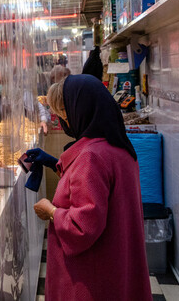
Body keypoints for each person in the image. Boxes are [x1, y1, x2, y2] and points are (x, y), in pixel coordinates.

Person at [22, 75, 151, 301]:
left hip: (90, 277)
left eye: (64, 112)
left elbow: (82, 228)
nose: (63, 120)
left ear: (80, 110)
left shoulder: (91, 157)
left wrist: (50, 211)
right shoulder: (116, 145)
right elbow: (93, 188)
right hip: (117, 262)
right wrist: (54, 163)